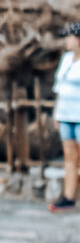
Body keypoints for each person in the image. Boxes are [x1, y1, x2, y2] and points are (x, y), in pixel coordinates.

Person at [49, 23, 80, 211]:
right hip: (65, 114)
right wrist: (56, 114)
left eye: (69, 37)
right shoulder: (66, 59)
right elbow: (59, 88)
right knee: (69, 157)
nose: (66, 41)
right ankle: (68, 197)